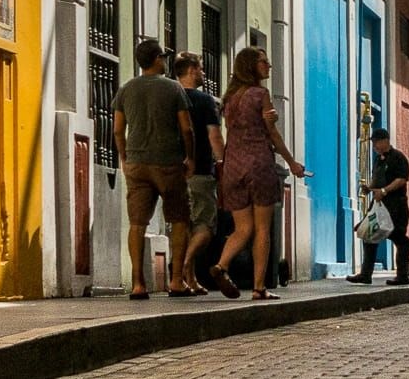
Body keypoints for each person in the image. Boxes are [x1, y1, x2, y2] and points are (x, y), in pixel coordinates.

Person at [212, 47, 305, 301]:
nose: (269, 65)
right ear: (251, 66)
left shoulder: (229, 99)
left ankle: (221, 265)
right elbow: (273, 135)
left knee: (243, 228)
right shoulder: (260, 94)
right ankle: (259, 287)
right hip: (259, 165)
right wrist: (292, 163)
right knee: (262, 228)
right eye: (264, 61)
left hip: (233, 167)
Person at [112, 38, 195, 300]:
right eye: (163, 57)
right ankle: (177, 281)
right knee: (179, 221)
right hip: (168, 163)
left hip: (137, 164)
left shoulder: (126, 90)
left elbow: (117, 129)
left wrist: (125, 157)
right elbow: (186, 128)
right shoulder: (174, 89)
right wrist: (190, 157)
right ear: (157, 59)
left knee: (137, 224)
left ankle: (138, 284)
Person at [173, 53, 223, 294]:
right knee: (205, 226)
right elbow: (214, 136)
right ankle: (183, 264)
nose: (203, 73)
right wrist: (222, 161)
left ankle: (190, 279)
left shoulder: (170, 98)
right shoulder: (205, 101)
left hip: (173, 172)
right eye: (201, 69)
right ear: (192, 70)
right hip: (200, 170)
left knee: (185, 226)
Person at [348, 127, 409, 287]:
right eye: (374, 143)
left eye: (377, 142)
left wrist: (384, 191)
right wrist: (370, 188)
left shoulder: (398, 158)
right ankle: (365, 274)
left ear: (385, 140)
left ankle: (403, 276)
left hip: (396, 206)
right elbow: (378, 180)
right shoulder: (378, 160)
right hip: (378, 206)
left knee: (399, 239)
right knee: (369, 236)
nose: (375, 146)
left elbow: (401, 179)